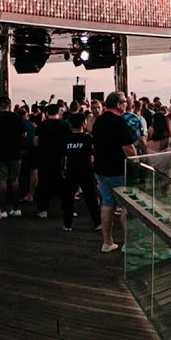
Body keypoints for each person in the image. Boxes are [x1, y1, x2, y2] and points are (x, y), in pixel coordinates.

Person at [91, 91, 137, 253]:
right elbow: (128, 148)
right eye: (125, 102)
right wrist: (137, 162)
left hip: (101, 169)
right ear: (118, 104)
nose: (127, 104)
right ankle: (128, 244)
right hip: (118, 169)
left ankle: (107, 242)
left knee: (107, 203)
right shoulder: (119, 122)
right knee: (126, 205)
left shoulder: (98, 121)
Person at [0, 96, 27, 219]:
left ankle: (2, 210)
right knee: (15, 180)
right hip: (15, 152)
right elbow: (24, 134)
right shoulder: (17, 117)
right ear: (9, 105)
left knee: (2, 180)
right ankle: (16, 208)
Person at [62, 112, 102, 232]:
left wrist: (63, 169)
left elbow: (63, 156)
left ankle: (67, 224)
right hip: (85, 170)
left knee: (68, 198)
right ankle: (97, 223)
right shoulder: (87, 138)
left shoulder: (66, 139)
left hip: (70, 170)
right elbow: (91, 156)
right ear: (83, 123)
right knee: (91, 198)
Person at [33, 103, 71, 218]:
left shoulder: (41, 125)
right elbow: (70, 140)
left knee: (43, 184)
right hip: (61, 158)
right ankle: (67, 209)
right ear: (58, 112)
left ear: (47, 113)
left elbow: (35, 142)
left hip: (45, 158)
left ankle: (43, 209)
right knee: (64, 186)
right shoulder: (65, 125)